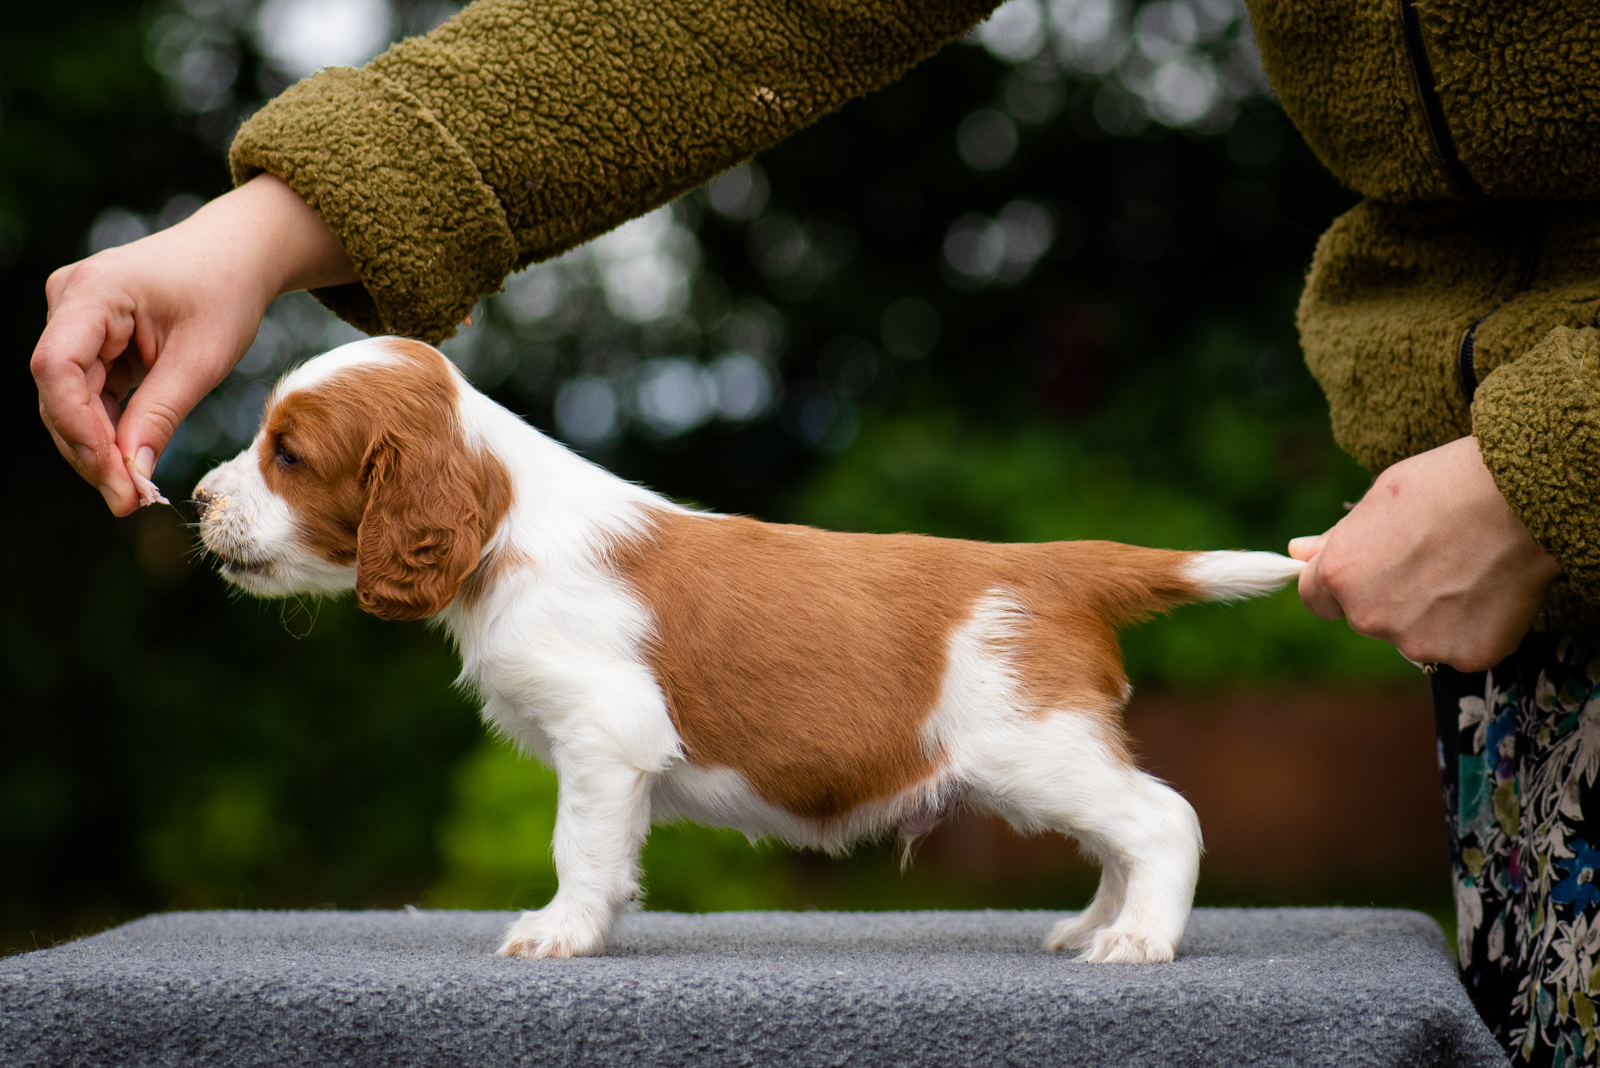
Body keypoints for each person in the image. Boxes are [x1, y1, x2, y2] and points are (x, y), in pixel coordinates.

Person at [26, 0, 1598, 1060]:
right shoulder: (540, 548)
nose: (248, 492)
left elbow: (613, 728)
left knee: (1032, 755)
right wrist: (280, 212)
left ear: (410, 501)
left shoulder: (547, 583)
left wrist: (1549, 457)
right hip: (1510, 615)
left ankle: (1150, 846)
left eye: (292, 463)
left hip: (1532, 491)